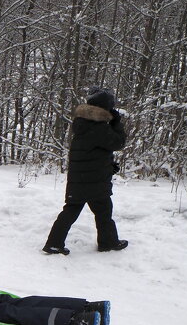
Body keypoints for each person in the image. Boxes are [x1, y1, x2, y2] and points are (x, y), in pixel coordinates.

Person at [43, 87, 128, 254]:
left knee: (72, 210)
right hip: (94, 180)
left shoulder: (84, 124)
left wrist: (108, 165)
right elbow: (118, 143)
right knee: (103, 211)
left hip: (81, 178)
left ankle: (54, 243)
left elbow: (93, 153)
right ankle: (108, 242)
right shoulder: (98, 127)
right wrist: (116, 123)